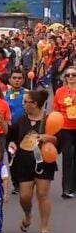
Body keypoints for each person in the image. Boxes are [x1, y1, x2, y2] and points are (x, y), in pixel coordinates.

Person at [8, 90, 57, 233]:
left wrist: (48, 137)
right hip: (24, 163)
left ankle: (44, 226)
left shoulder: (49, 119)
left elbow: (58, 140)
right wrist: (12, 145)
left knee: (42, 194)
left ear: (35, 104)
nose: (23, 105)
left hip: (44, 161)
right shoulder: (21, 120)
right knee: (25, 197)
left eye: (25, 102)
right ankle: (28, 214)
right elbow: (11, 138)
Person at [52, 67, 76, 198]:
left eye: (74, 75)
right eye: (68, 75)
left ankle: (74, 186)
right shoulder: (60, 92)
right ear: (65, 77)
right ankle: (66, 188)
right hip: (64, 128)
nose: (71, 77)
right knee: (67, 156)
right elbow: (55, 109)